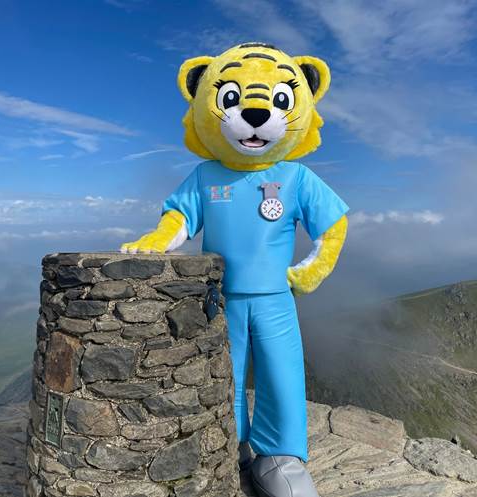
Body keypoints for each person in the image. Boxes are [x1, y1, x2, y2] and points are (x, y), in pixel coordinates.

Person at [122, 42, 349, 497]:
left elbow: (332, 224)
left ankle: (280, 453)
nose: (256, 113)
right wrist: (156, 241)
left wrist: (308, 271)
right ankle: (230, 443)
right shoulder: (206, 175)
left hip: (273, 297)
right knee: (223, 372)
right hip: (218, 298)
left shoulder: (297, 176)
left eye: (279, 101)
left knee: (281, 372)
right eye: (230, 98)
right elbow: (180, 217)